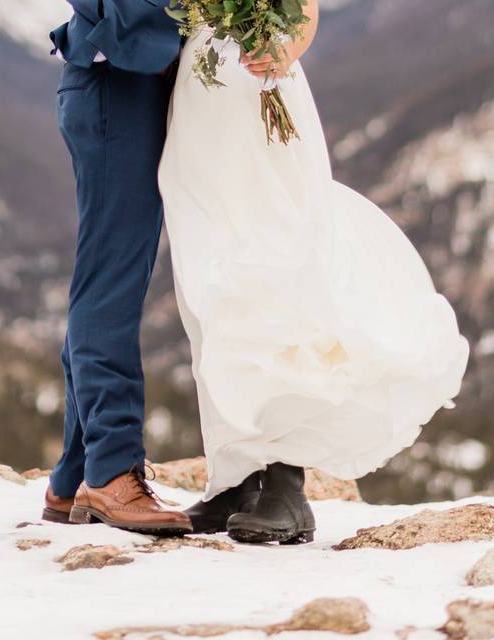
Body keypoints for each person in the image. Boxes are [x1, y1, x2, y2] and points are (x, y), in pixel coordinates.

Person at [160, 0, 470, 544]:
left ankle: (285, 485)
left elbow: (302, 6)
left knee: (279, 268)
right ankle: (235, 477)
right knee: (208, 281)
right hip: (197, 104)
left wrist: (283, 48)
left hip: (260, 95)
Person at [42, 0, 192, 536]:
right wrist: (124, 36)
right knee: (110, 284)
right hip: (116, 85)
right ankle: (111, 471)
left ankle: (74, 477)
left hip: (132, 87)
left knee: (108, 277)